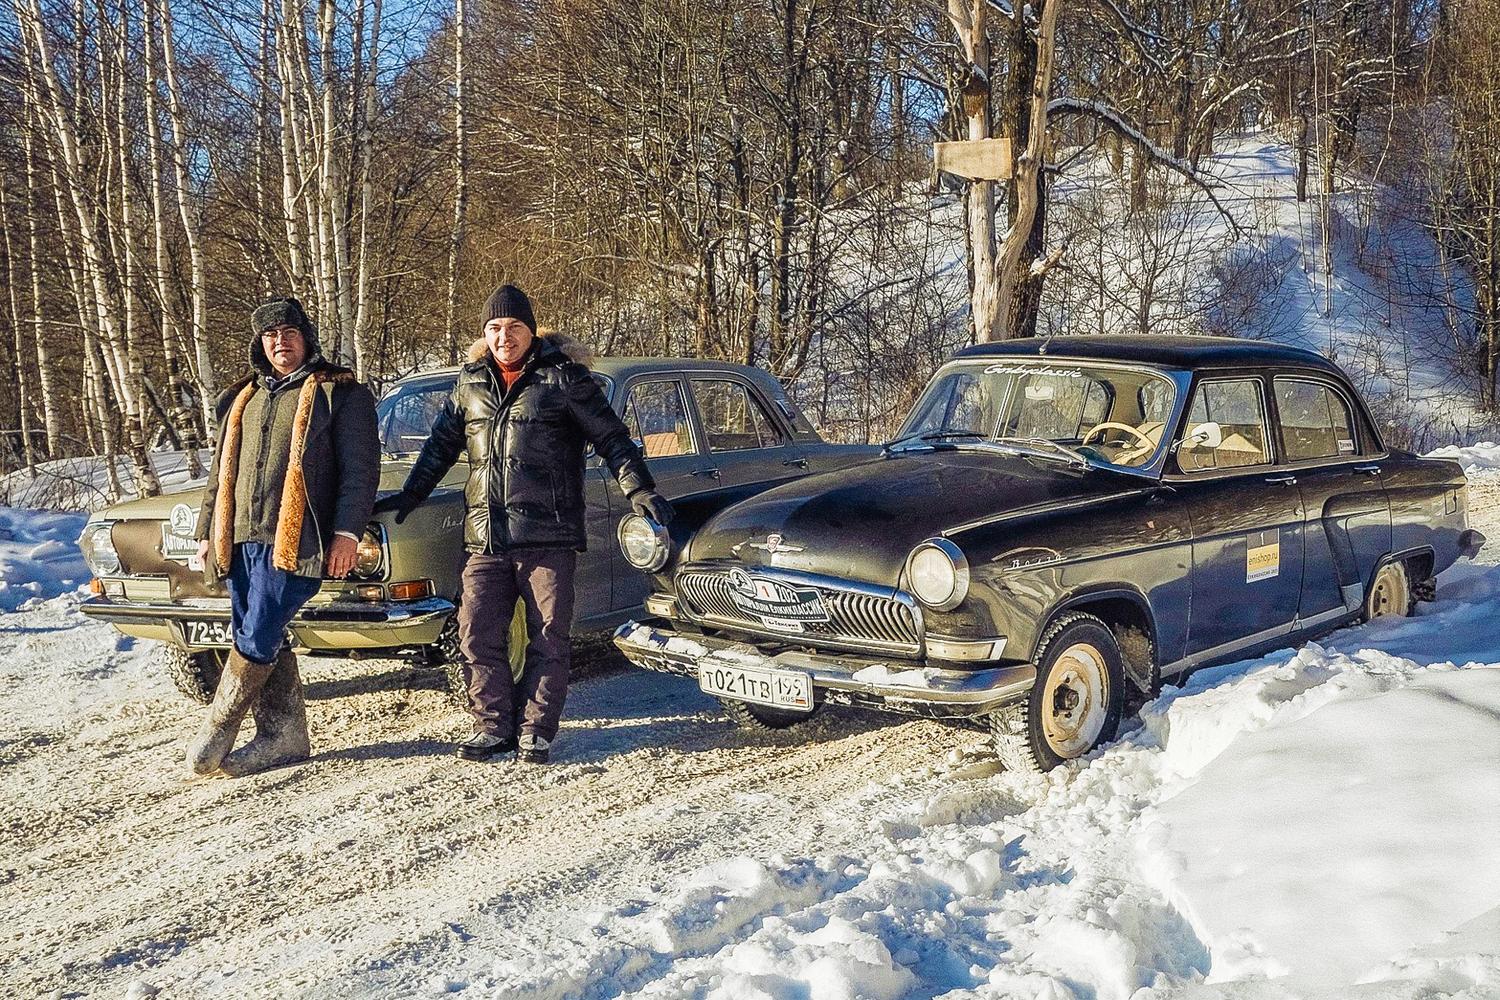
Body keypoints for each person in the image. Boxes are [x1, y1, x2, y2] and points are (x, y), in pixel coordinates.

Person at [375, 285, 672, 764]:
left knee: (549, 635)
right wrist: (411, 494)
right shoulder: (469, 384)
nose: (503, 336)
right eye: (494, 328)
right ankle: (492, 727)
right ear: (484, 334)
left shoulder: (565, 379)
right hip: (486, 538)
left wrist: (639, 489)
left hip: (548, 537)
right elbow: (439, 447)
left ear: (531, 331)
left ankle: (536, 730)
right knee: (475, 634)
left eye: (513, 327)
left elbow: (614, 439)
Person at [188, 297, 380, 776]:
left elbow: (361, 471)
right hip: (239, 536)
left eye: (289, 332)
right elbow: (220, 473)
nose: (281, 342)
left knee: (258, 632)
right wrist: (207, 530)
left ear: (306, 337)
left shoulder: (341, 393)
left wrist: (346, 533)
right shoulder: (242, 398)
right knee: (256, 630)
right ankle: (285, 735)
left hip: (299, 538)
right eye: (271, 335)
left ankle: (217, 730)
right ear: (260, 343)